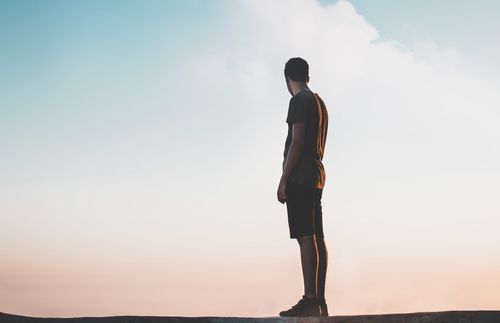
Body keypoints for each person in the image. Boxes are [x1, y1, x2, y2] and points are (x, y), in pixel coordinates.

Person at [277, 57, 329, 317]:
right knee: (317, 236)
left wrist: (284, 178)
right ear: (307, 75)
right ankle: (319, 299)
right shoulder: (319, 102)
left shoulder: (299, 100)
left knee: (305, 236)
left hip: (300, 176)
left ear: (288, 79)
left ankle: (309, 299)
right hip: (317, 174)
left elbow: (297, 142)